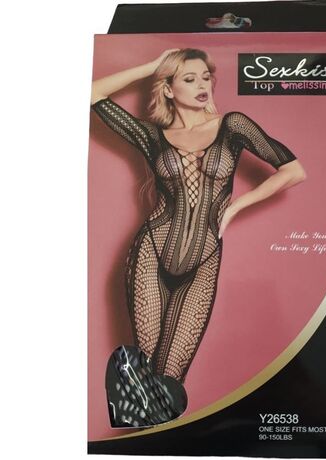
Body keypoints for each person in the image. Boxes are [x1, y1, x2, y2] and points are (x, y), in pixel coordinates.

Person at [90, 48, 306, 428]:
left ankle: (134, 410)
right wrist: (153, 66)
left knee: (169, 385)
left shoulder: (232, 126)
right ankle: (135, 413)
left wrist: (237, 206)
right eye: (189, 79)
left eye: (205, 77)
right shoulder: (152, 136)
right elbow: (91, 94)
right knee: (149, 375)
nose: (202, 85)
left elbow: (293, 171)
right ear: (168, 88)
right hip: (151, 253)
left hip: (203, 262)